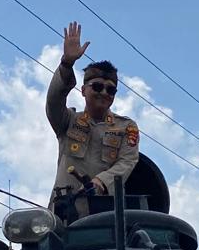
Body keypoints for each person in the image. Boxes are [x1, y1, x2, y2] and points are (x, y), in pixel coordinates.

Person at [46, 22, 140, 221]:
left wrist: (101, 181)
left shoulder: (126, 127)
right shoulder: (68, 120)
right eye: (97, 86)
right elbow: (53, 101)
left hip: (105, 217)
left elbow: (127, 161)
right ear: (83, 90)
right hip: (64, 213)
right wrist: (66, 64)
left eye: (111, 89)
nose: (104, 92)